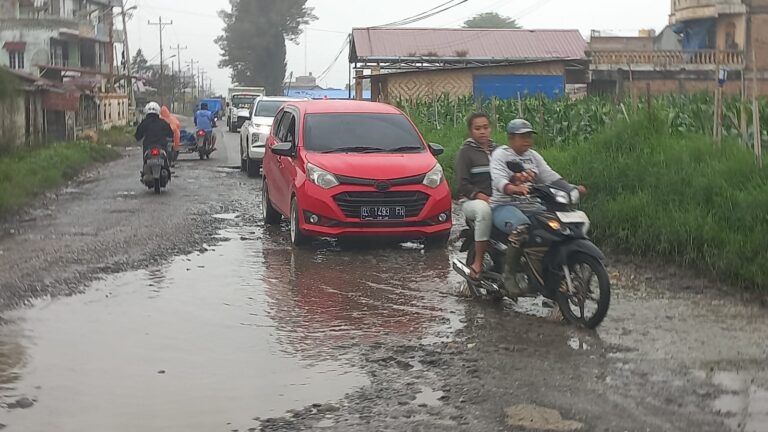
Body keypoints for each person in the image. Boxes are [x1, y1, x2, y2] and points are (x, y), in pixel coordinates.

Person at [489, 119, 586, 296]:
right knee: (521, 228)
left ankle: (544, 276)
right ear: (511, 138)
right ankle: (508, 275)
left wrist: (570, 188)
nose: (527, 140)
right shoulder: (500, 155)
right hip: (504, 205)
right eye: (522, 136)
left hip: (532, 206)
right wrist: (513, 188)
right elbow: (498, 179)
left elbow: (550, 176)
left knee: (554, 229)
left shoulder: (533, 156)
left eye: (529, 136)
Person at [454, 112, 497, 281]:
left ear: (490, 129)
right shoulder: (466, 152)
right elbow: (462, 184)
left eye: (485, 127)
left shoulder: (498, 150)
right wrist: (481, 196)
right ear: (471, 131)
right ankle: (478, 262)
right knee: (484, 211)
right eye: (477, 128)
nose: (482, 132)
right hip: (472, 201)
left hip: (499, 199)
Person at [135, 101, 173, 170]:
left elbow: (138, 136)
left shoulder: (144, 122)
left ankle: (145, 171)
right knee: (166, 162)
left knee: (146, 163)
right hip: (161, 146)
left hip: (148, 147)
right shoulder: (163, 122)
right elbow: (171, 134)